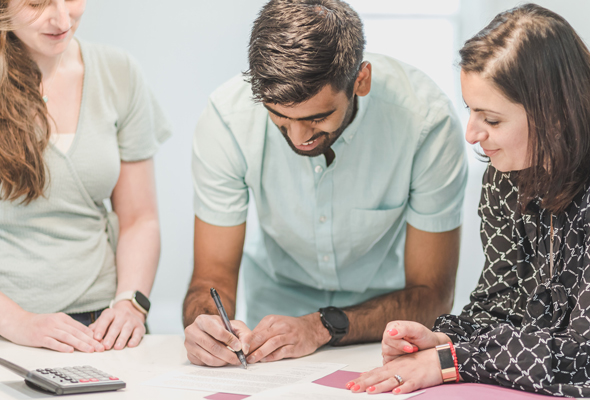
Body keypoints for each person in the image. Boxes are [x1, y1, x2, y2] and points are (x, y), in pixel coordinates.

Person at [348, 4, 590, 399]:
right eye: (470, 111)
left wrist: (453, 361)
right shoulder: (508, 166)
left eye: (491, 119)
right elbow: (499, 306)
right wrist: (440, 341)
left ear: (555, 116)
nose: (472, 133)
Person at [183, 0, 468, 367]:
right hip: (267, 333)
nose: (299, 137)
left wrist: (320, 327)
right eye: (280, 118)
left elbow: (433, 297)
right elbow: (212, 274)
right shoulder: (227, 119)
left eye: (317, 117)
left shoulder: (427, 124)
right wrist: (204, 325)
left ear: (360, 81)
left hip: (385, 334)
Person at [0, 0, 170, 353]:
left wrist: (130, 304)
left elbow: (139, 219)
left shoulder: (119, 72)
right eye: (36, 3)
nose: (61, 18)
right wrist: (20, 323)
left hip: (103, 329)